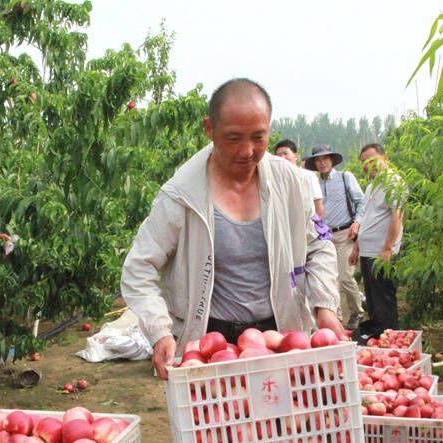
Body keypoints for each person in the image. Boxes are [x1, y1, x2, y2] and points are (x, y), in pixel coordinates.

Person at [121, 78, 343, 379]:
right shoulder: (181, 195)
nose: (247, 151)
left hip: (278, 337)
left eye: (258, 137)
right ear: (209, 129)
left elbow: (319, 244)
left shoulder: (290, 183)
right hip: (211, 343)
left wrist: (324, 306)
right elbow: (138, 267)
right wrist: (160, 330)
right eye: (233, 138)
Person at [305, 144, 365, 330]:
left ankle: (357, 311)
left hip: (344, 233)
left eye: (325, 159)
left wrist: (357, 222)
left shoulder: (345, 177)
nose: (322, 163)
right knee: (331, 280)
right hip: (324, 236)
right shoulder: (313, 182)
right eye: (318, 160)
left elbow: (361, 201)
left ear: (331, 160)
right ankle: (336, 319)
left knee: (346, 276)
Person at [349, 143, 405, 339]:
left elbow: (397, 217)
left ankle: (389, 337)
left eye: (372, 160)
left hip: (381, 253)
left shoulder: (394, 183)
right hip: (367, 251)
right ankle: (376, 337)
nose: (368, 165)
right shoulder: (372, 186)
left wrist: (388, 248)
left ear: (385, 158)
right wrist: (356, 248)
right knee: (373, 300)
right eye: (364, 162)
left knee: (383, 299)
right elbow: (366, 218)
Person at [273, 139, 333, 241]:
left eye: (285, 153)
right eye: (279, 155)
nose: (282, 158)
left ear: (296, 156)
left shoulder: (308, 176)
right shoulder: (275, 181)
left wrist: (318, 231)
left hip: (308, 233)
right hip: (286, 234)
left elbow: (318, 206)